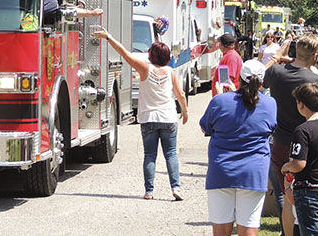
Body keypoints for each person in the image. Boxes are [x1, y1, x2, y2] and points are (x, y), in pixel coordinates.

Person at [92, 27, 187, 200]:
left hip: (149, 118)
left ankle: (149, 191)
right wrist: (185, 111)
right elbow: (180, 94)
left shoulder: (145, 69)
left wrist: (109, 37)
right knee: (171, 154)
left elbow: (125, 53)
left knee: (150, 155)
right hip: (168, 118)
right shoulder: (170, 72)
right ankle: (176, 188)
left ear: (151, 55)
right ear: (166, 57)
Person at [199, 59, 277, 236]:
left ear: (240, 78)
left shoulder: (219, 101)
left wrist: (220, 96)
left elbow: (206, 127)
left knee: (220, 230)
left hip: (221, 170)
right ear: (262, 81)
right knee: (249, 227)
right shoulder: (270, 104)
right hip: (253, 172)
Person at [263, 33, 318, 236]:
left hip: (280, 140)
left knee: (285, 193)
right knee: (306, 192)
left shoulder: (276, 72)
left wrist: (276, 56)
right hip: (308, 141)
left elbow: (258, 77)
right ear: (316, 54)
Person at [281, 82, 318, 236]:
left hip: (309, 190)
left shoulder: (303, 130)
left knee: (311, 232)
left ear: (301, 104)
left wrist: (286, 166)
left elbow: (298, 164)